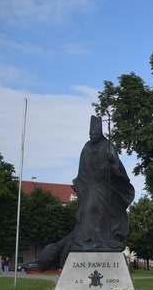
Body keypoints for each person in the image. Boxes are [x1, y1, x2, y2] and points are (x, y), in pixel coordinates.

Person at [36, 116, 135, 271]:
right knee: (87, 213)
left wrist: (113, 162)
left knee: (103, 215)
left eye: (94, 133)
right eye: (90, 134)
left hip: (106, 189)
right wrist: (79, 184)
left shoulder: (109, 146)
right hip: (90, 188)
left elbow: (118, 169)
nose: (92, 136)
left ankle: (104, 241)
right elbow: (82, 170)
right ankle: (86, 241)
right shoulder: (87, 147)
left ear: (100, 132)